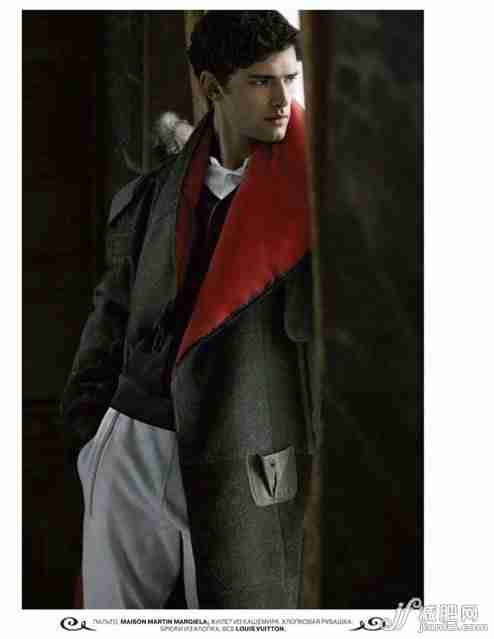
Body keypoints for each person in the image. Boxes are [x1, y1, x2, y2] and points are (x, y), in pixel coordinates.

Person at [61, 11, 315, 609]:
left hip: (248, 454)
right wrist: (93, 433)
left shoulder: (313, 202)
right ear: (212, 87)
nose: (282, 100)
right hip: (131, 440)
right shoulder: (154, 192)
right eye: (261, 81)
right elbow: (111, 311)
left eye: (290, 79)